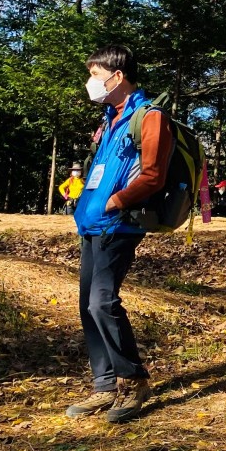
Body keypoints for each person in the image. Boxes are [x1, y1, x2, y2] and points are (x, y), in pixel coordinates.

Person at [65, 45, 169, 423]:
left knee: (101, 302)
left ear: (117, 76)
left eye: (95, 75)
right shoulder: (111, 119)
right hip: (92, 225)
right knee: (87, 305)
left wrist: (116, 201)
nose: (90, 82)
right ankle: (104, 385)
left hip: (120, 223)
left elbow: (153, 176)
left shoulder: (150, 117)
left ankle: (133, 380)